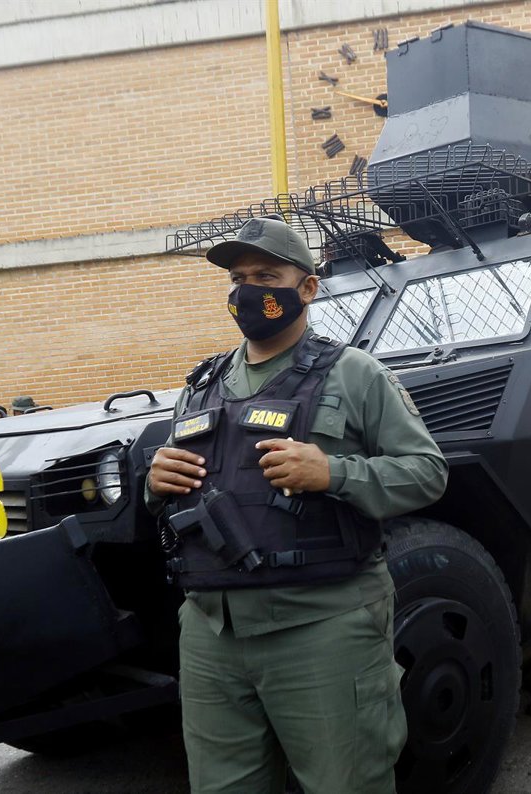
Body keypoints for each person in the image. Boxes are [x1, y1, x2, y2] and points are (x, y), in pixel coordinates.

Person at [145, 217, 448, 794]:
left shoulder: (355, 374)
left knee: (346, 783)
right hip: (211, 631)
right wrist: (154, 482)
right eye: (238, 279)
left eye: (266, 276)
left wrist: (333, 472)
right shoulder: (202, 385)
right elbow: (176, 488)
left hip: (322, 625)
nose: (247, 291)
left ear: (307, 288)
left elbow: (427, 473)